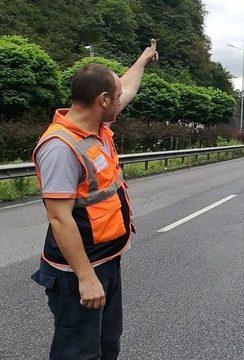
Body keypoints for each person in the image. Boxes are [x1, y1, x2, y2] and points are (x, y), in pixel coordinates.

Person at [30, 39, 159, 360]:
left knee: (106, 346)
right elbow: (59, 218)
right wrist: (86, 279)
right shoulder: (60, 147)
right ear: (102, 100)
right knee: (78, 353)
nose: (122, 100)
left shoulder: (97, 127)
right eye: (115, 98)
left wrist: (143, 59)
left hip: (106, 262)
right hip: (78, 273)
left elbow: (126, 87)